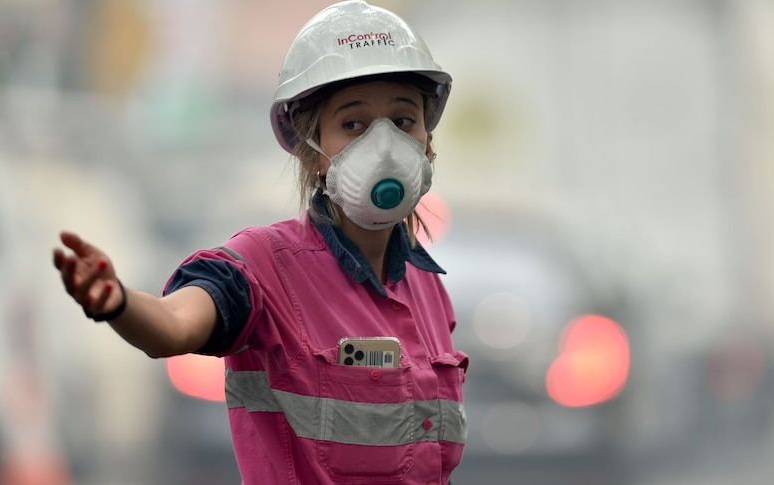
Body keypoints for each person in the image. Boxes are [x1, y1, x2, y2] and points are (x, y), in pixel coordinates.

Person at [52, 1, 467, 484]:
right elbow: (174, 324)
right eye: (353, 125)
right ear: (312, 154)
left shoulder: (426, 291)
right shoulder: (265, 268)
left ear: (427, 141)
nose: (384, 144)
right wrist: (119, 303)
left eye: (403, 121)